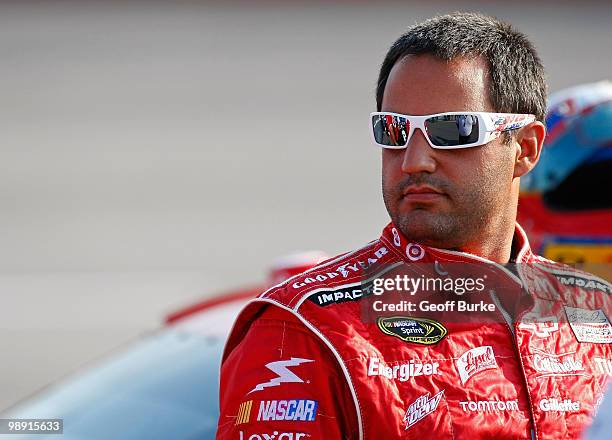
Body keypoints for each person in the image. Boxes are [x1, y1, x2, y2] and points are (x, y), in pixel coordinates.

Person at [216, 13, 611, 440]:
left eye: (453, 130)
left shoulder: (599, 314)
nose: (414, 160)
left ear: (525, 148)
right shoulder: (304, 333)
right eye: (394, 130)